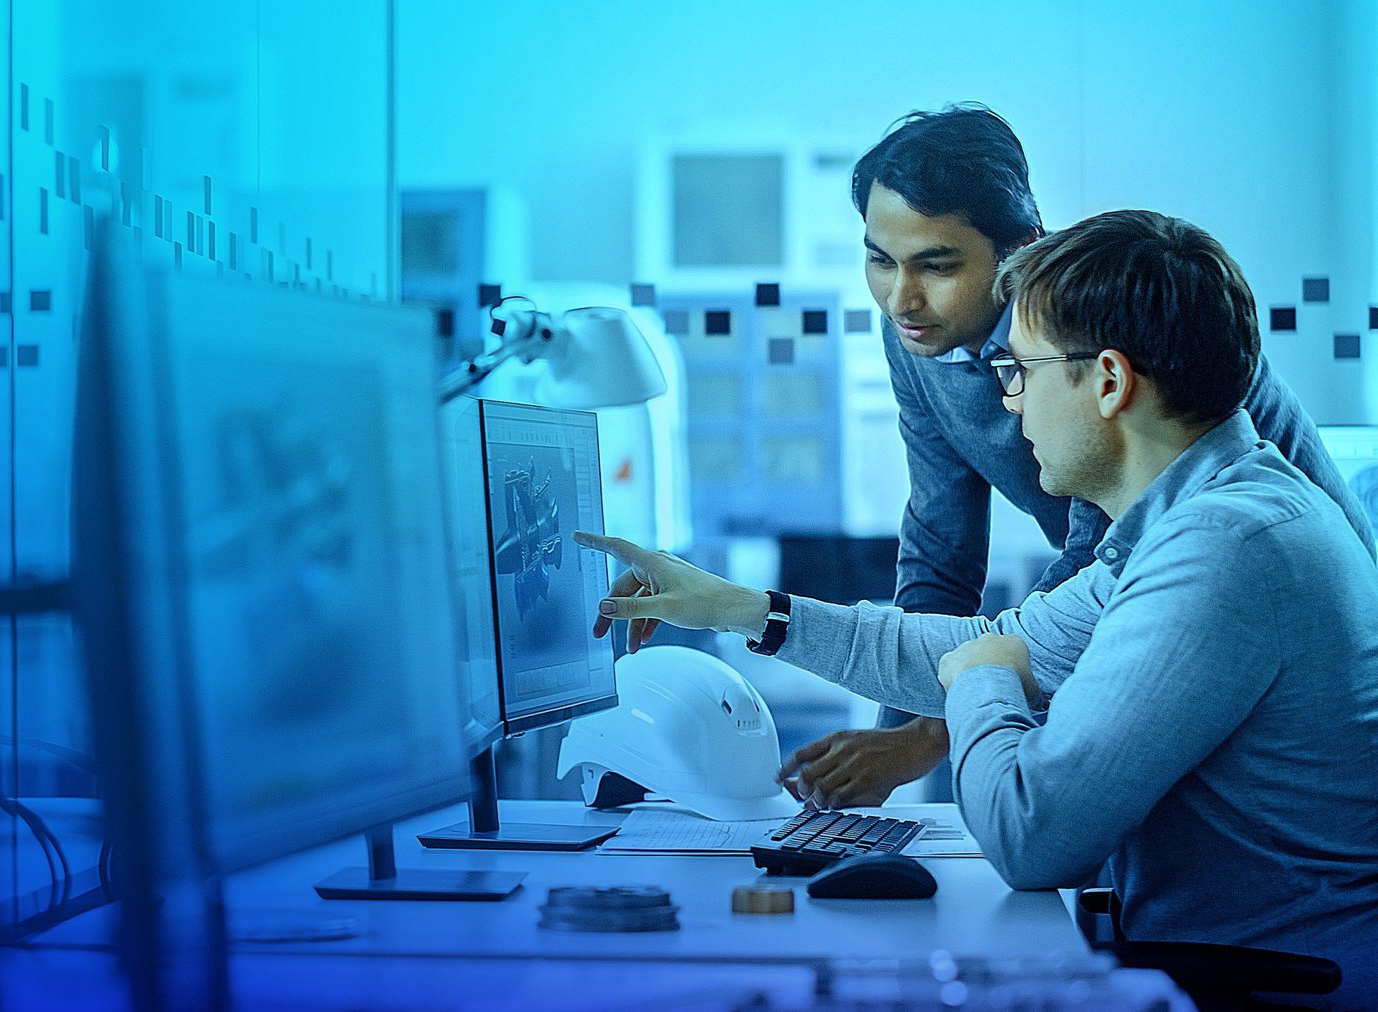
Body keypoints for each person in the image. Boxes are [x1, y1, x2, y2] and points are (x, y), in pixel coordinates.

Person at [581, 210, 1378, 1005]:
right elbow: (988, 641)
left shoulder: (1222, 549)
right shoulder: (1196, 520)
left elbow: (1033, 835)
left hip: (1267, 989)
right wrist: (744, 609)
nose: (1011, 402)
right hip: (1217, 965)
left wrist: (983, 682)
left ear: (1109, 382)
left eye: (1020, 370)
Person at [776, 105, 1374, 810]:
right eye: (880, 259)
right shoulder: (918, 334)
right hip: (1121, 596)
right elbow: (940, 548)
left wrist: (927, 737)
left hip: (1273, 632)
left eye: (937, 265)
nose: (901, 298)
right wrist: (891, 749)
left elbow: (1098, 557)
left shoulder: (1101, 320)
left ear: (1020, 249)